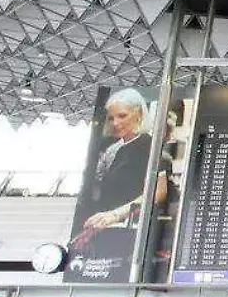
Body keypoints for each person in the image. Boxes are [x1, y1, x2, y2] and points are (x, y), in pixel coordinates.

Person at [71, 89, 168, 250]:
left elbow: (158, 192)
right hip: (104, 230)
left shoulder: (151, 148)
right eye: (111, 118)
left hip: (131, 234)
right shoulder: (113, 149)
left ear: (138, 113)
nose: (115, 123)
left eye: (122, 116)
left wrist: (116, 214)